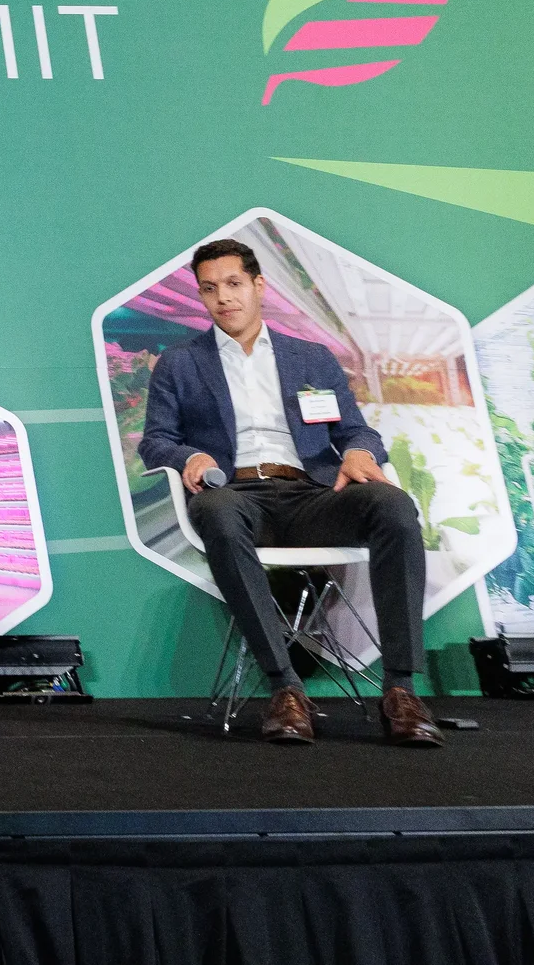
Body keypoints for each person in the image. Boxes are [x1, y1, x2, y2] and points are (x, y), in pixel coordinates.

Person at [138, 238, 443, 748]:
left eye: (234, 284)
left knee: (393, 505)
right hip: (235, 495)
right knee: (213, 509)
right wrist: (187, 457)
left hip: (311, 495)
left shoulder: (311, 359)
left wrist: (359, 452)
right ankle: (285, 689)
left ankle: (401, 690)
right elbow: (155, 441)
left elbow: (354, 430)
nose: (223, 298)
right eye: (209, 289)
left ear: (259, 286)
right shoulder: (181, 363)